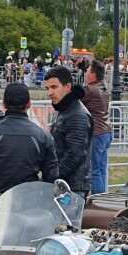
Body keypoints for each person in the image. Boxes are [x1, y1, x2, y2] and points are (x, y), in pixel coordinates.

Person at [0, 83, 57, 195]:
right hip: (28, 202)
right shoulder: (43, 136)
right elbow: (51, 176)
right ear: (29, 104)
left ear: (3, 104)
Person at [42, 66, 92, 195]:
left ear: (68, 87)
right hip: (64, 185)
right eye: (47, 88)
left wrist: (53, 177)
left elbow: (75, 153)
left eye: (54, 87)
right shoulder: (65, 109)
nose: (49, 93)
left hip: (73, 188)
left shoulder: (76, 114)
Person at [82, 60, 112, 195]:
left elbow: (72, 101)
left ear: (93, 75)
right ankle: (102, 198)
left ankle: (96, 202)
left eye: (88, 70)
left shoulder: (89, 89)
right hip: (106, 131)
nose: (85, 72)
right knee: (101, 169)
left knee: (94, 170)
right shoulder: (103, 88)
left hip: (97, 132)